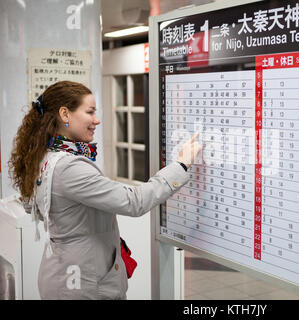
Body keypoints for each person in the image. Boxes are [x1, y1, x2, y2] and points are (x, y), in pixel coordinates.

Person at [8, 81, 202, 299]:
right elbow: (134, 202)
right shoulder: (68, 168)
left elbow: (29, 203)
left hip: (66, 273)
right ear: (65, 114)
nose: (96, 120)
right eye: (89, 112)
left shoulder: (44, 156)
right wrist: (181, 166)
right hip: (81, 283)